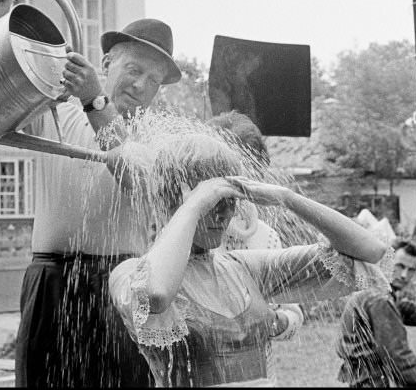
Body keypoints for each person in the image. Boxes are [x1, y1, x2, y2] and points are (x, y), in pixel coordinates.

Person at [109, 134, 392, 387]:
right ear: (174, 198)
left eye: (231, 201)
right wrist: (194, 205)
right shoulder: (129, 274)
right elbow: (157, 295)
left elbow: (370, 250)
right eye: (214, 202)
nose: (225, 214)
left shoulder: (245, 267)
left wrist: (286, 197)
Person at [12, 13, 182, 386]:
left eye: (153, 80)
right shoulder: (56, 111)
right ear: (106, 62)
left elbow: (134, 177)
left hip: (119, 283)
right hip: (51, 282)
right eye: (134, 69)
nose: (140, 85)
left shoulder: (158, 140)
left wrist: (94, 100)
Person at [208, 111, 305, 386]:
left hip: (256, 376)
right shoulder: (188, 232)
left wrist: (272, 321)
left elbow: (293, 315)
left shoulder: (267, 237)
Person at [335, 239, 416, 387]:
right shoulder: (379, 300)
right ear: (387, 261)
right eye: (400, 266)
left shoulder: (379, 292)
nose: (405, 275)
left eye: (411, 270)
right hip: (373, 381)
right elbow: (397, 356)